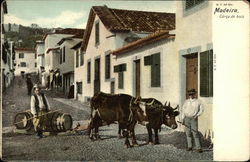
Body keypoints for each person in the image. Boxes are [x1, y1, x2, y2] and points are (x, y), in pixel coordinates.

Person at [181, 89, 204, 153]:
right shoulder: (186, 102)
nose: (191, 95)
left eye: (192, 94)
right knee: (188, 133)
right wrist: (183, 119)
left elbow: (201, 110)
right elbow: (183, 110)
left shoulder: (198, 102)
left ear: (194, 94)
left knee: (195, 133)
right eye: (189, 94)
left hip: (193, 119)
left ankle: (198, 148)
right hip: (186, 119)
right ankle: (190, 147)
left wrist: (197, 115)